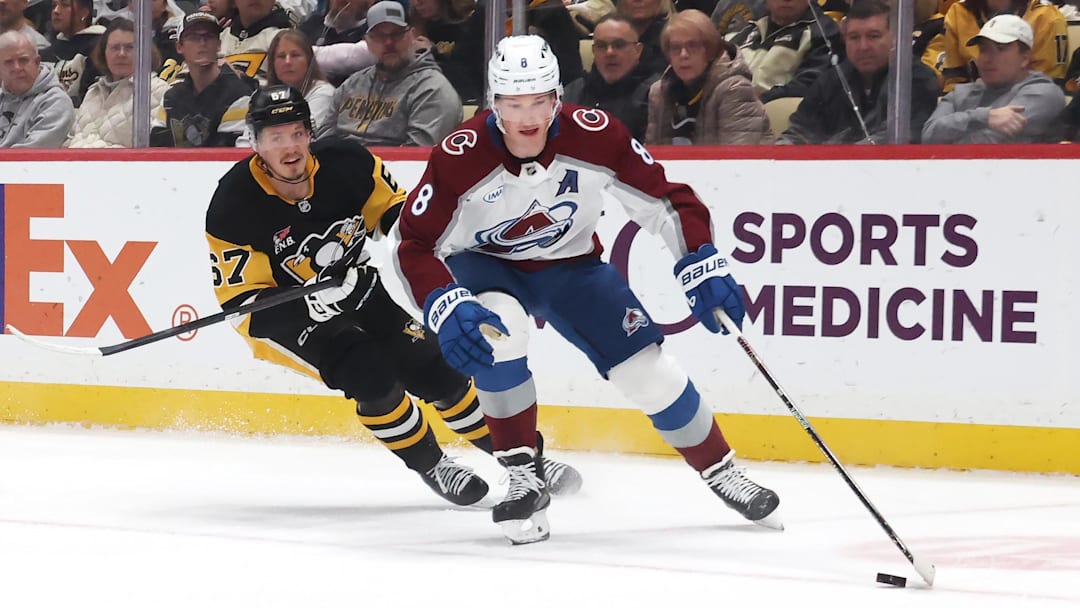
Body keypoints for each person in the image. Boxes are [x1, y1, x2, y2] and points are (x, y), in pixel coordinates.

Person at [393, 35, 782, 545]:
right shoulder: (459, 156)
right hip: (487, 268)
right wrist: (444, 303)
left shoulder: (596, 136)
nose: (528, 117)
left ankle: (721, 469)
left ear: (557, 97)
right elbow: (412, 243)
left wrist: (700, 260)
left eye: (539, 101)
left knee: (650, 374)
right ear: (494, 104)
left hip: (572, 268)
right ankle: (521, 472)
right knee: (499, 334)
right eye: (513, 103)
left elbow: (666, 200)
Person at [205, 85, 583, 509]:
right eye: (275, 137)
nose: (289, 146)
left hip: (357, 288)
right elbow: (242, 306)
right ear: (255, 144)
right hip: (284, 319)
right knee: (371, 376)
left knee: (440, 372)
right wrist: (305, 302)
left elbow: (395, 215)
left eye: (296, 133)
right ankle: (433, 464)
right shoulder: (233, 204)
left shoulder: (348, 163)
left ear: (310, 134)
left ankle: (524, 462)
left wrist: (418, 239)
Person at [777, 0, 940, 144]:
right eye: (854, 37)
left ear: (895, 38)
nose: (863, 47)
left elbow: (900, 138)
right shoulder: (831, 80)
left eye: (873, 36)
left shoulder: (915, 79)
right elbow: (799, 133)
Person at [319, 1, 461, 146]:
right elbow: (322, 141)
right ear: (367, 42)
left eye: (396, 34)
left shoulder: (432, 90)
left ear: (411, 36)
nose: (388, 42)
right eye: (379, 36)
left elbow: (417, 158)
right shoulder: (351, 85)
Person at [922, 14, 1065, 143]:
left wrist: (951, 134)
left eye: (1000, 48)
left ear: (1025, 58)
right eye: (984, 49)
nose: (987, 58)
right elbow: (928, 136)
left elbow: (989, 143)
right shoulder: (960, 93)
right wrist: (983, 116)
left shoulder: (1043, 94)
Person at [647, 9, 771, 144]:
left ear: (711, 51)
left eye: (692, 45)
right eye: (676, 47)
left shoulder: (735, 90)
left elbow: (739, 160)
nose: (683, 55)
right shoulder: (659, 93)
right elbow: (652, 154)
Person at [151, 12, 255, 147]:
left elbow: (227, 156)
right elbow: (156, 150)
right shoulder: (171, 98)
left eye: (209, 36)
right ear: (179, 47)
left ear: (218, 44)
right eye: (193, 37)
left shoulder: (238, 94)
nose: (202, 43)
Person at [66, 17, 168, 147]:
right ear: (104, 53)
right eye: (115, 48)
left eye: (129, 47)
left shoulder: (158, 91)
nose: (121, 54)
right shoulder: (93, 92)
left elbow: (150, 152)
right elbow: (72, 138)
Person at [563, 13, 659, 141]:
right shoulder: (574, 91)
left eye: (619, 45)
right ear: (594, 51)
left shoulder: (654, 94)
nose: (609, 52)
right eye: (601, 46)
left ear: (638, 50)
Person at [724, 0, 842, 103]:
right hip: (729, 108)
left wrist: (753, 102)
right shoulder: (745, 28)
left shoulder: (823, 32)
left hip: (776, 115)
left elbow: (809, 86)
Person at [941, 0, 1066, 92]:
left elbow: (1046, 87)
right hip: (970, 103)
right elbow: (954, 80)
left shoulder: (1046, 16)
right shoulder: (959, 11)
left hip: (1026, 104)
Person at [0, 29, 74, 147]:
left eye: (23, 60)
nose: (17, 68)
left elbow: (31, 155)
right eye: (9, 62)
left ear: (37, 62)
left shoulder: (55, 102)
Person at [266, 29, 334, 134]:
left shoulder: (324, 93)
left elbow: (305, 133)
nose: (287, 62)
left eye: (295, 55)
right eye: (281, 56)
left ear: (309, 60)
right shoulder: (263, 96)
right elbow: (247, 139)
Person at [40, 0, 103, 107]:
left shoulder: (98, 48)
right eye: (54, 5)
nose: (56, 11)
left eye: (65, 5)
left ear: (84, 13)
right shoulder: (46, 53)